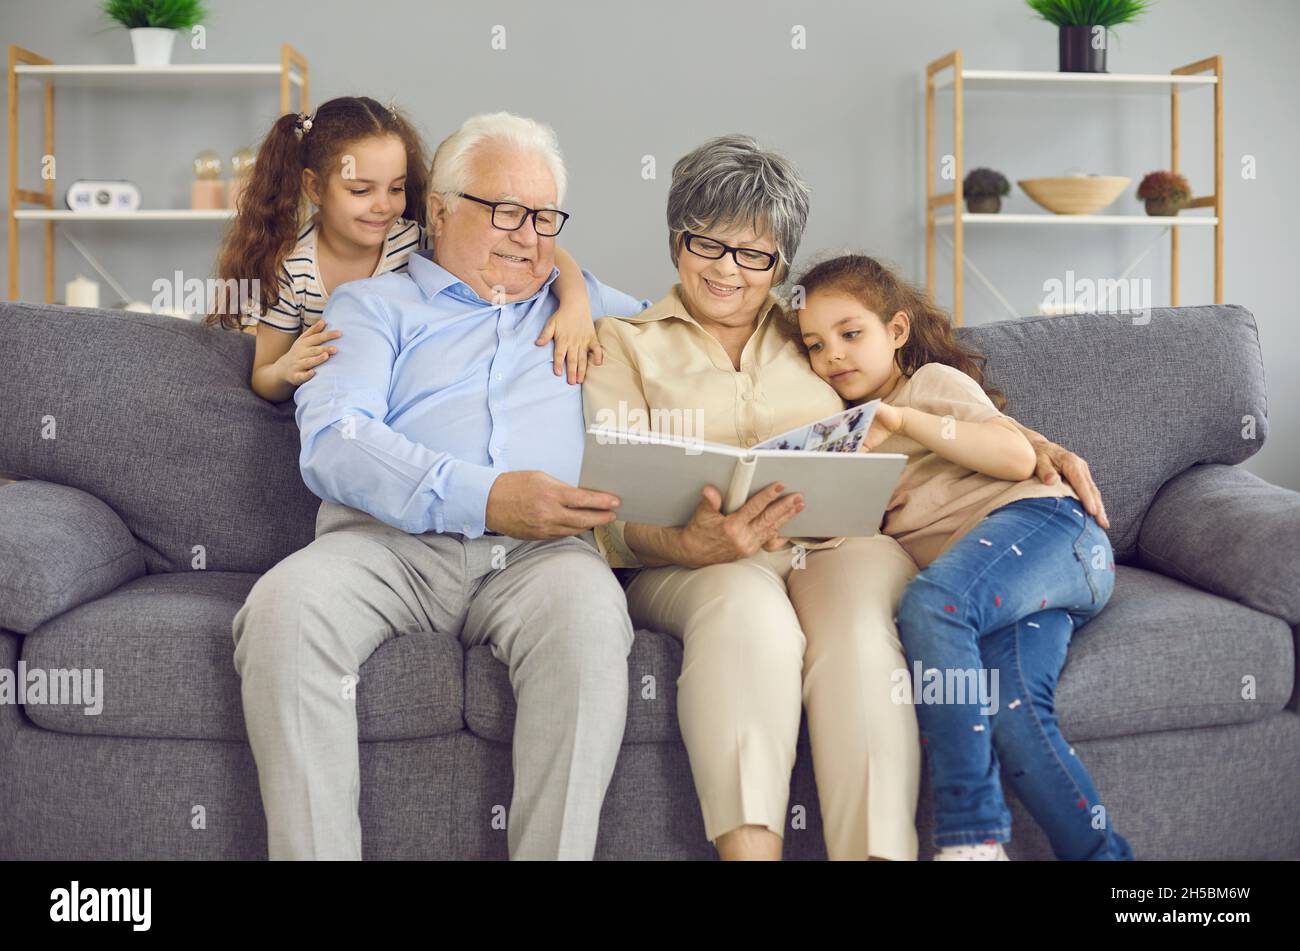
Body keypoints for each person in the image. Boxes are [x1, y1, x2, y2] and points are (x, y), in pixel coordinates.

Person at [231, 111, 651, 860]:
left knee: (592, 616)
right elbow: (335, 440)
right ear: (441, 210)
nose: (529, 236)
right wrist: (487, 496)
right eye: (507, 212)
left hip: (540, 557)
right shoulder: (369, 306)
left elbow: (706, 321)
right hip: (385, 549)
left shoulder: (591, 307)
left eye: (545, 216)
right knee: (284, 610)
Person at [793, 253, 1133, 861]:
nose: (833, 356)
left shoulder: (928, 387)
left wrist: (902, 418)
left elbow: (1015, 458)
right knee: (1015, 714)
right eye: (816, 345)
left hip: (1049, 532)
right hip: (1007, 590)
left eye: (851, 334)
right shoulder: (848, 436)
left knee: (933, 603)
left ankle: (971, 835)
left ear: (896, 332)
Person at [206, 97, 601, 403]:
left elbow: (538, 251)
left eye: (395, 188)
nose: (384, 205)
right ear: (314, 188)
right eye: (360, 190)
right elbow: (263, 374)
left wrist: (576, 305)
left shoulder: (412, 238)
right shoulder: (294, 269)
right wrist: (287, 369)